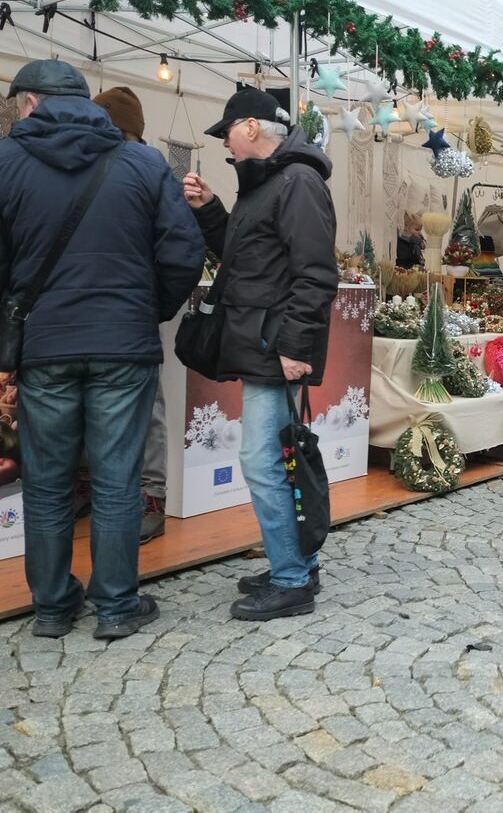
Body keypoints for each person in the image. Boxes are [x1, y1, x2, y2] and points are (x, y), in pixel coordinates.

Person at [0, 60, 204, 639]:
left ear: (30, 103)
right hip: (124, 345)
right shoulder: (142, 162)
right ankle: (115, 606)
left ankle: (52, 606)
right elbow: (184, 252)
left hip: (45, 346)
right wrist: (147, 309)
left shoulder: (7, 161)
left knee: (46, 481)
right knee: (118, 480)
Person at [181, 88, 338, 621]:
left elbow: (316, 274)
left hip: (275, 349)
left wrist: (295, 347)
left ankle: (292, 578)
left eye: (226, 130)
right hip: (264, 345)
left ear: (251, 127)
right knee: (276, 461)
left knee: (263, 461)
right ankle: (295, 563)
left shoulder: (296, 182)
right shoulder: (271, 183)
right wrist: (210, 213)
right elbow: (247, 258)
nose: (224, 142)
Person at [93, 86, 176, 544]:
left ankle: (150, 498)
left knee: (146, 410)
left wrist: (155, 302)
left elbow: (177, 248)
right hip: (112, 311)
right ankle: (128, 495)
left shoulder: (149, 169)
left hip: (128, 312)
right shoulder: (85, 161)